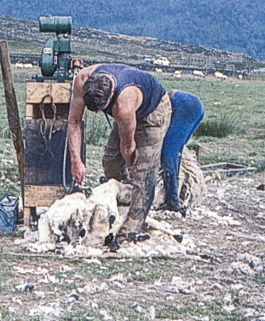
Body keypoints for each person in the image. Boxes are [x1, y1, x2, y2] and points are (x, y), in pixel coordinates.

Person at [68, 63, 171, 237]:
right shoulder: (83, 79)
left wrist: (131, 170)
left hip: (153, 111)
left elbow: (128, 146)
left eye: (101, 109)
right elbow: (74, 123)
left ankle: (130, 231)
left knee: (142, 172)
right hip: (125, 108)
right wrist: (76, 160)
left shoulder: (123, 105)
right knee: (111, 160)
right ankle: (114, 211)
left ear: (109, 99)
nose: (98, 113)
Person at [158, 91, 204, 214]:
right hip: (191, 103)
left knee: (169, 153)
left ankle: (172, 200)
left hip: (184, 104)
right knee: (176, 150)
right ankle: (175, 192)